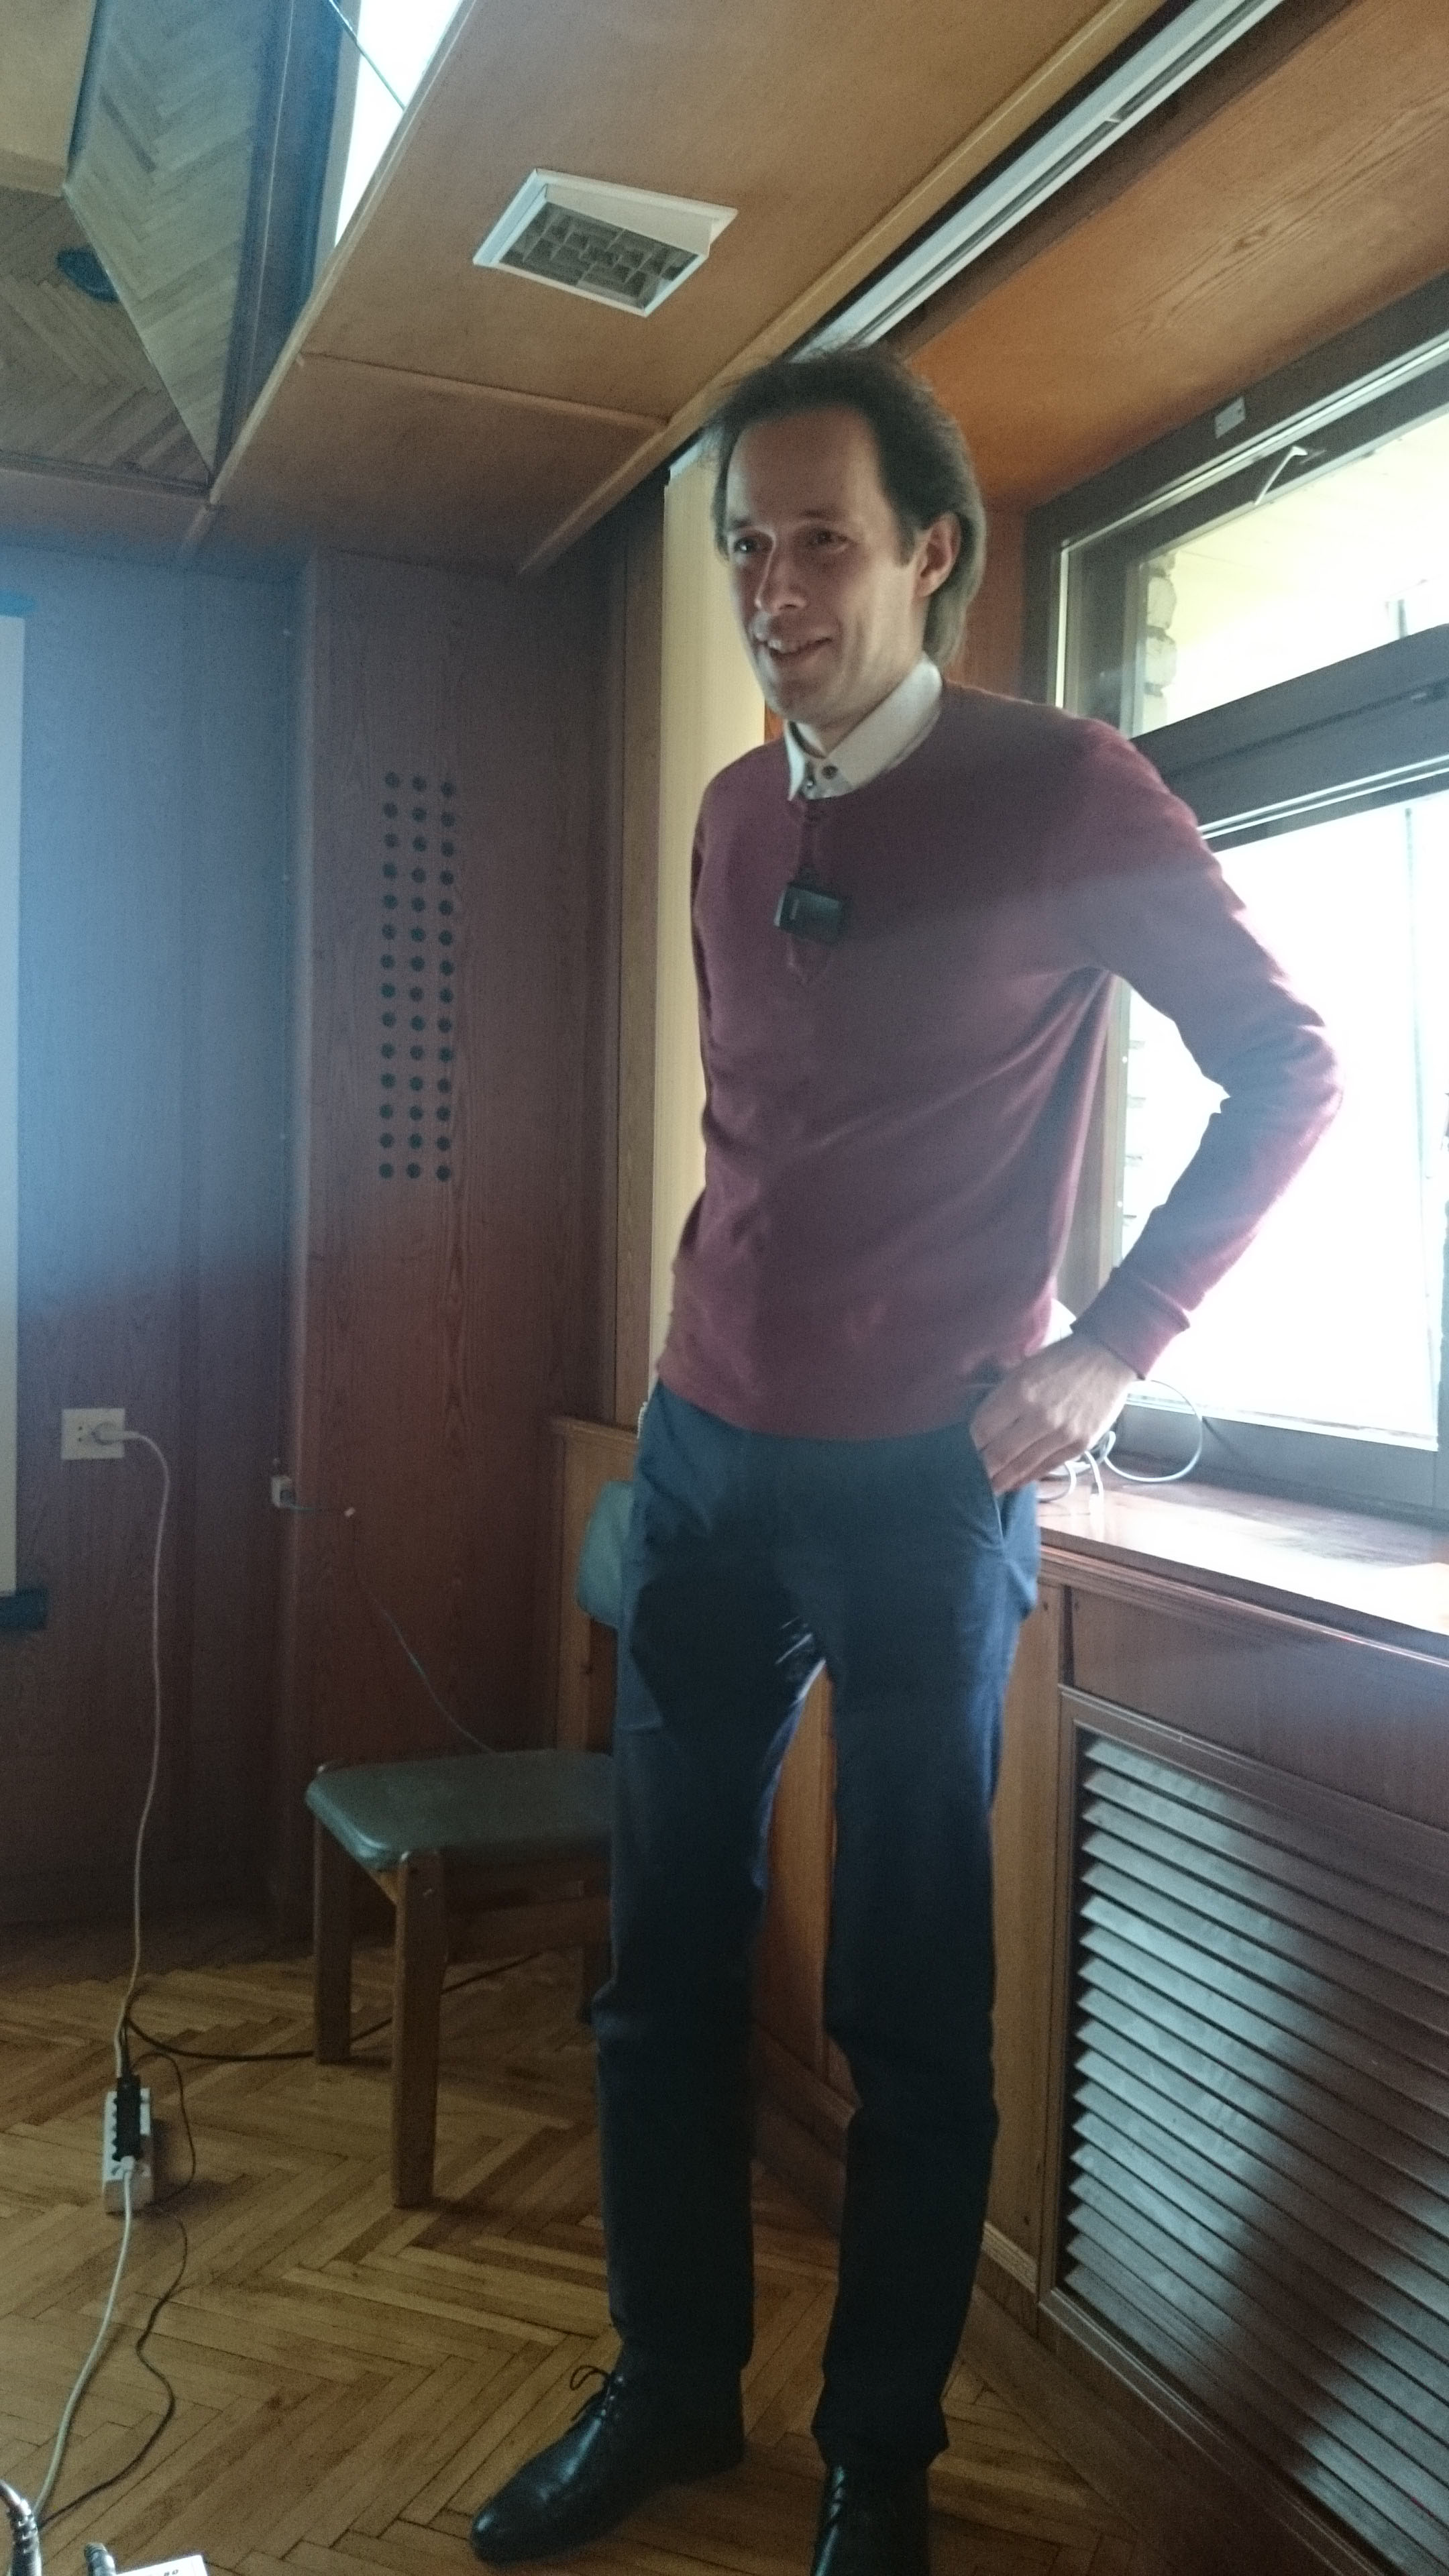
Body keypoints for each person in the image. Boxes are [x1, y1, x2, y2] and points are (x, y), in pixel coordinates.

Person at [469, 350, 1341, 2576]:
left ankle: (881, 2457)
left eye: (823, 545)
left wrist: (1114, 1349)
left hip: (927, 1495)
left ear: (932, 552)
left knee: (910, 2004)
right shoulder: (730, 814)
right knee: (661, 1968)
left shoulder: (1068, 794)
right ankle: (669, 2389)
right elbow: (761, 1137)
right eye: (747, 549)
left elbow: (1289, 1065)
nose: (776, 592)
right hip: (704, 1460)